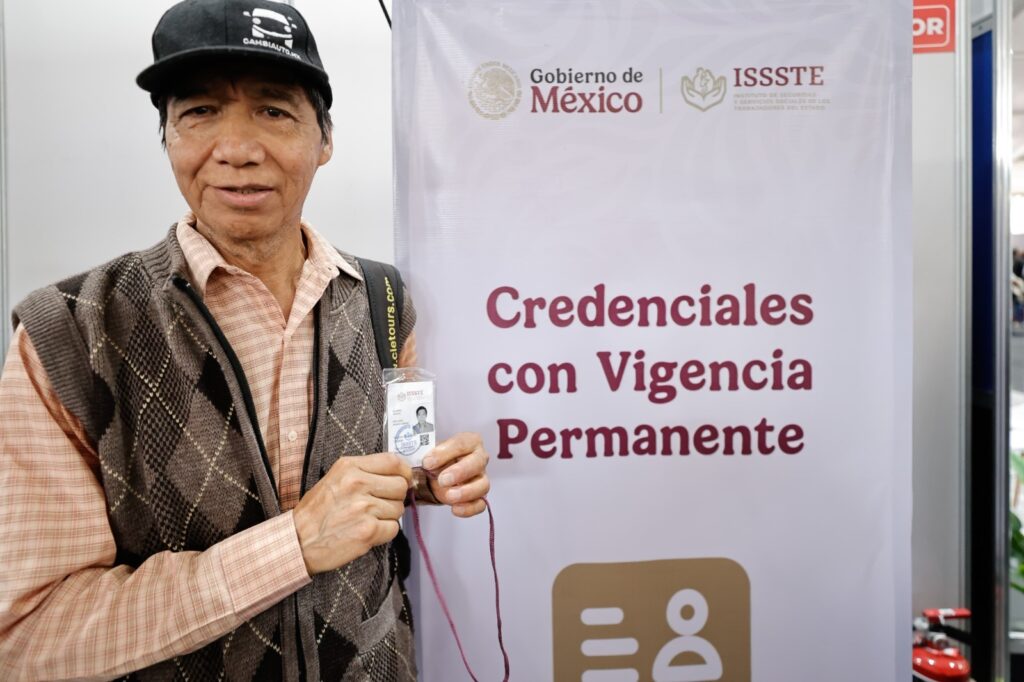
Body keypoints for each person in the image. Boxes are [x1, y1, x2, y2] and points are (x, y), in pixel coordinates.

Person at [0, 1, 491, 680]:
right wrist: (296, 544)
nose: (237, 149)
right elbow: (28, 635)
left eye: (273, 110)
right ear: (167, 137)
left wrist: (424, 480)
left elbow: (397, 468)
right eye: (200, 112)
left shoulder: (383, 299)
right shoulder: (70, 332)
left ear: (325, 139)